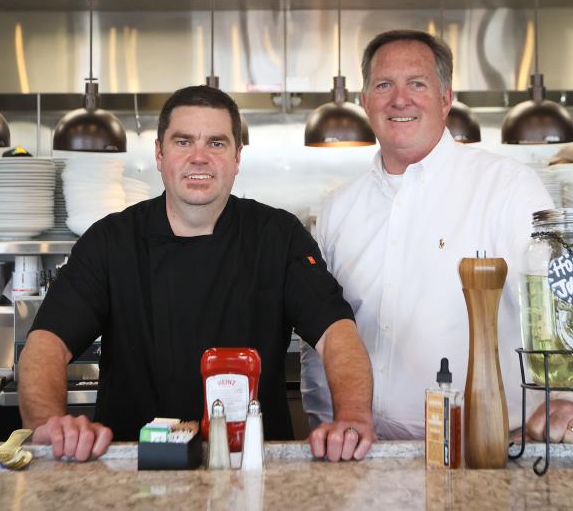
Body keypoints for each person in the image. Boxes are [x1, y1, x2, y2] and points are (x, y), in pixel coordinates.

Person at [19, 85, 375, 462]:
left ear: (238, 157)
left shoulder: (277, 236)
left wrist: (352, 416)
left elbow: (337, 333)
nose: (199, 158)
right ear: (159, 153)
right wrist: (48, 422)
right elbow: (46, 344)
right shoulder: (110, 241)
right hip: (131, 468)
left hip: (250, 467)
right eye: (183, 141)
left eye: (217, 144)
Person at [301, 30, 573, 443]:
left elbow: (570, 303)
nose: (400, 99)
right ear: (365, 101)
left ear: (446, 99)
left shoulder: (506, 187)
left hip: (489, 450)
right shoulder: (339, 209)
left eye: (417, 83)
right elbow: (320, 334)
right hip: (369, 454)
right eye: (383, 85)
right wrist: (324, 420)